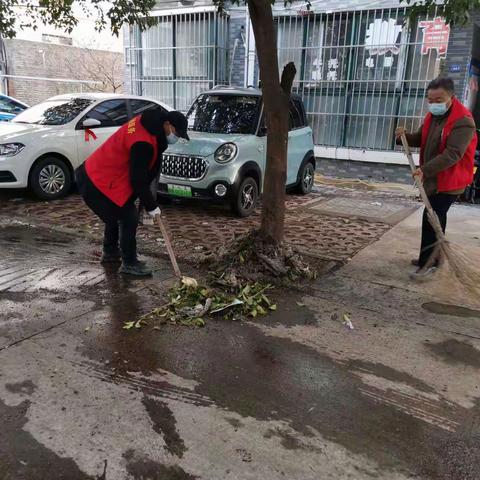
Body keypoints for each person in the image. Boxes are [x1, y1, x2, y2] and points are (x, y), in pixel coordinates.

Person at [76, 108, 189, 276]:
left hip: (100, 175)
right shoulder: (143, 142)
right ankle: (129, 263)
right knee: (128, 217)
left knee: (116, 214)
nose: (176, 137)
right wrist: (151, 206)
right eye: (176, 133)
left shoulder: (147, 124)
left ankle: (111, 253)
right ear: (167, 124)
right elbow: (138, 180)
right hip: (97, 180)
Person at [396, 77, 477, 280]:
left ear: (452, 97)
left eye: (438, 99)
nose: (434, 104)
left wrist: (425, 169)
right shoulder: (433, 117)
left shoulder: (463, 121)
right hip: (434, 178)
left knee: (432, 218)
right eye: (430, 100)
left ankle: (430, 263)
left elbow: (453, 154)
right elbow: (419, 138)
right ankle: (431, 259)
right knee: (433, 219)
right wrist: (403, 136)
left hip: (449, 181)